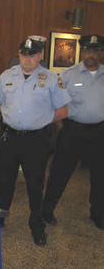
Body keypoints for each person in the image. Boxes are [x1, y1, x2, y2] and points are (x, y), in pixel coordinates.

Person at [0, 36, 71, 246]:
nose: (27, 58)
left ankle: (36, 225)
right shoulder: (7, 75)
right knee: (5, 182)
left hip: (36, 140)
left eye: (32, 54)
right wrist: (12, 118)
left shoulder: (52, 79)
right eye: (24, 54)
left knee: (35, 184)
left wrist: (39, 121)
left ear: (40, 55)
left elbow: (62, 111)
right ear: (19, 54)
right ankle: (0, 221)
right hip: (10, 138)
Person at [43, 34, 104, 230]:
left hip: (99, 133)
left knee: (100, 177)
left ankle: (98, 214)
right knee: (59, 173)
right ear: (82, 52)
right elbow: (54, 102)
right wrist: (61, 126)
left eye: (95, 51)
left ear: (100, 53)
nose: (91, 55)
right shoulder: (68, 75)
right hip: (72, 132)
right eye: (87, 51)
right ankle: (47, 211)